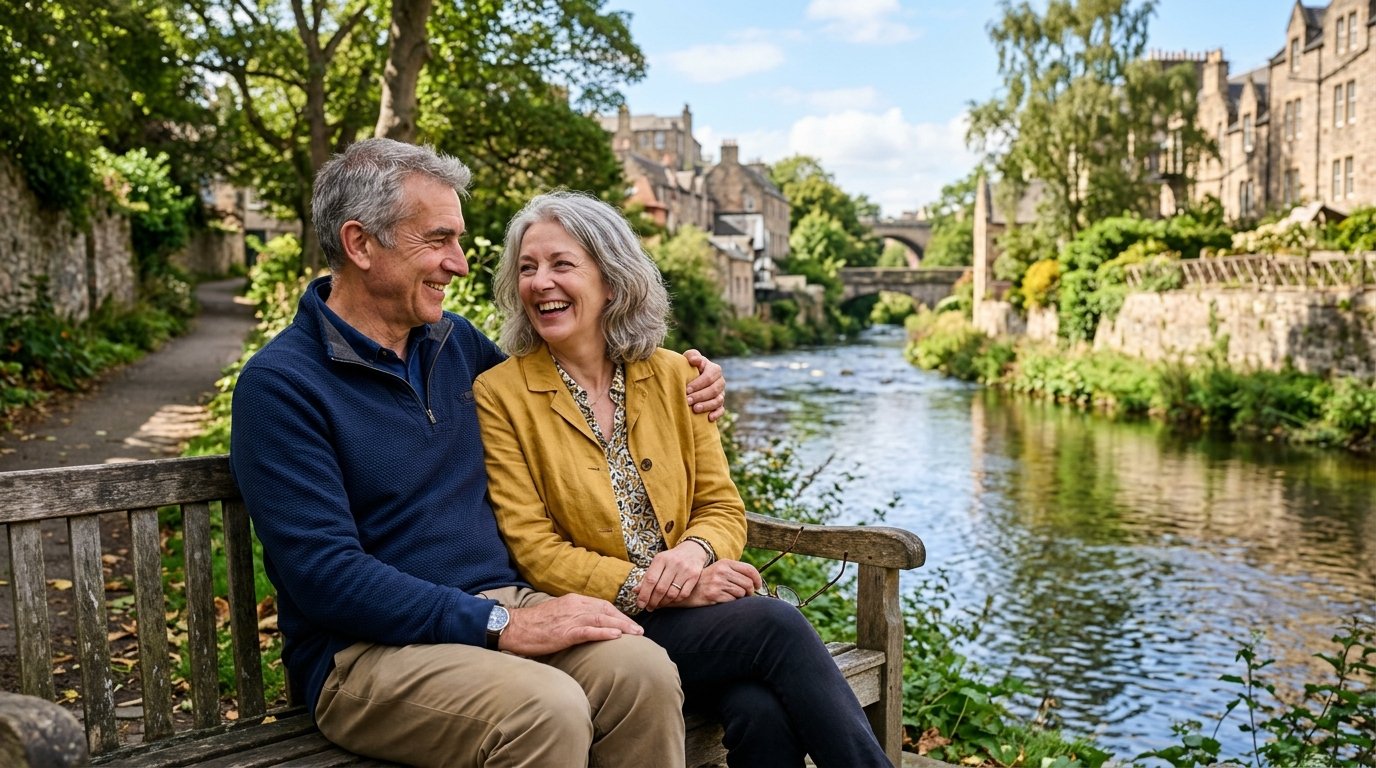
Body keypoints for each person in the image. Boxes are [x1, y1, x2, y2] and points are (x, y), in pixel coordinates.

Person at [228, 138, 728, 768]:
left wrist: (687, 382)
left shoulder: (457, 345)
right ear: (360, 244)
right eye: (438, 241)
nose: (459, 264)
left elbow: (579, 392)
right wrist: (498, 625)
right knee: (544, 710)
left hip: (500, 610)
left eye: (458, 242)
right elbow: (325, 576)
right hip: (364, 654)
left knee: (642, 671)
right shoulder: (282, 386)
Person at [474, 190, 892, 768]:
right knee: (776, 623)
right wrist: (670, 585)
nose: (540, 281)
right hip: (603, 630)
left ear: (612, 283)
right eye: (527, 267)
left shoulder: (676, 375)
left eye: (561, 264)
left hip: (698, 625)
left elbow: (722, 508)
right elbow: (535, 551)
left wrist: (695, 554)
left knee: (761, 712)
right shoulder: (500, 394)